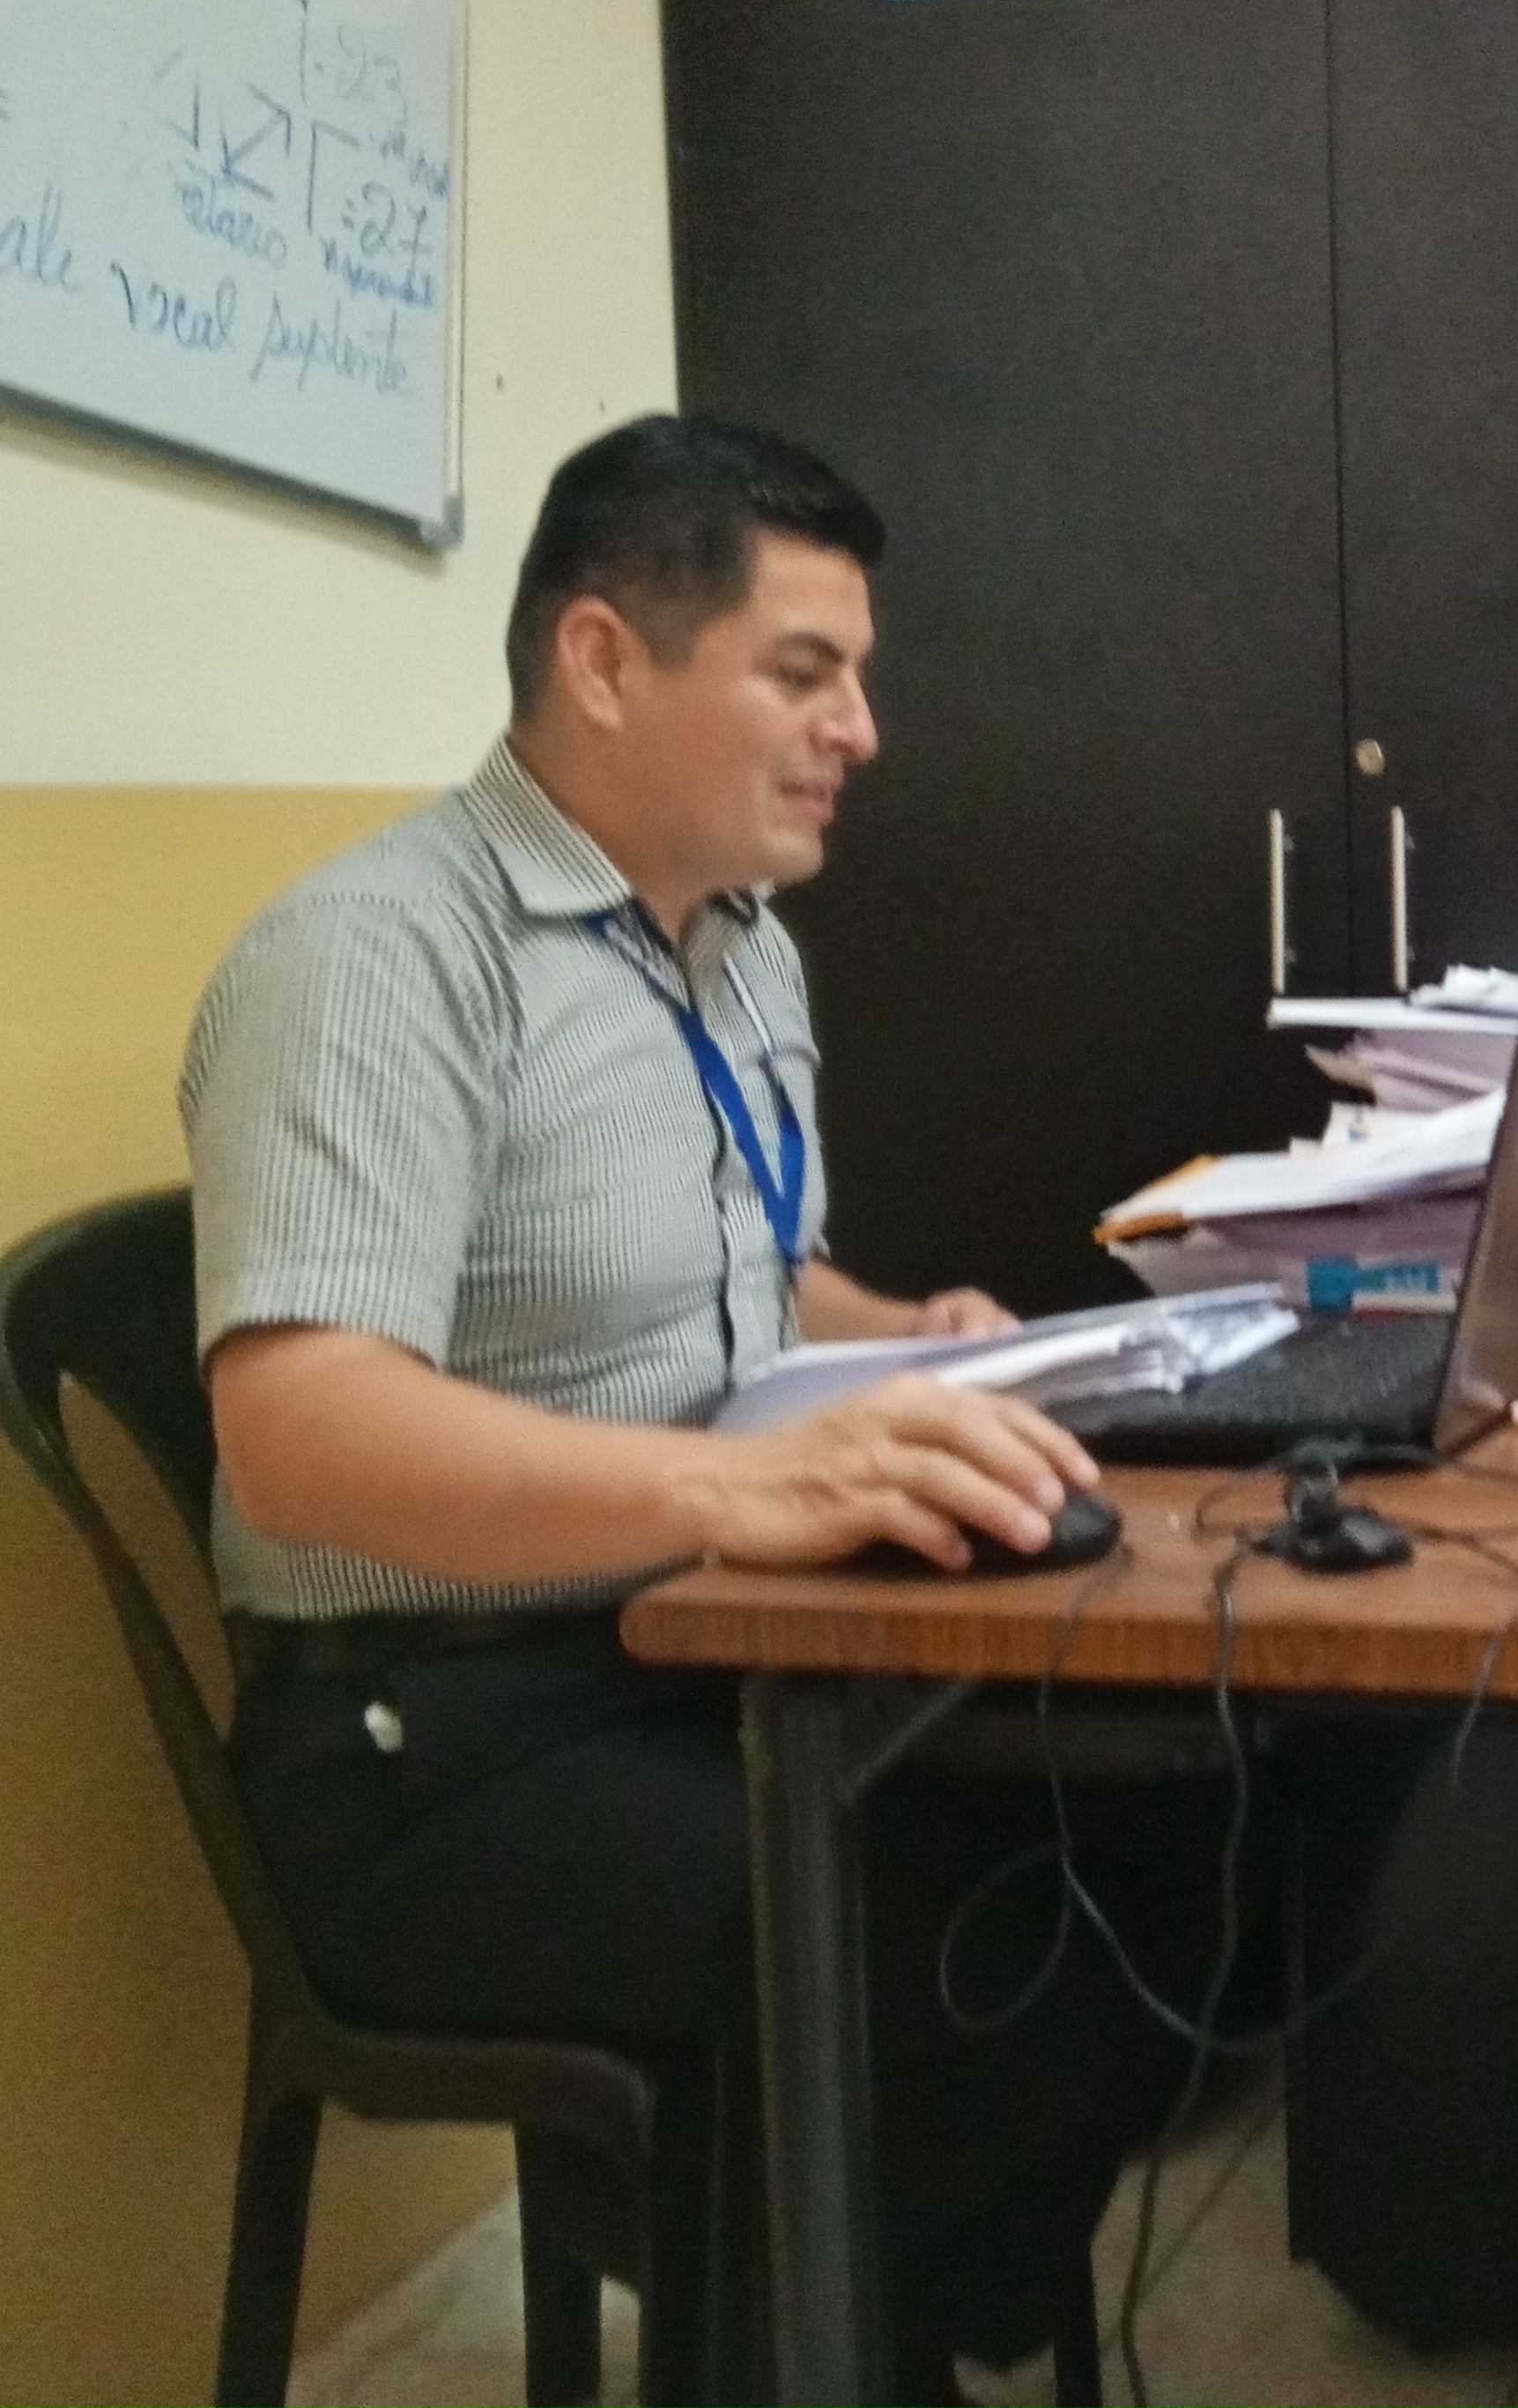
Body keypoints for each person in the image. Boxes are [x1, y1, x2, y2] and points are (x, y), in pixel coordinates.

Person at [187, 416, 1204, 2399]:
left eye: (859, 678)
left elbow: (735, 1278)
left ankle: (860, 2317)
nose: (862, 733)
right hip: (430, 1739)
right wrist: (736, 1495)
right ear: (601, 659)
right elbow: (300, 1427)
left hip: (687, 1645)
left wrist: (907, 1331)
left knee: (1129, 1843)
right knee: (911, 1947)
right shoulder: (378, 955)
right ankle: (837, 2329)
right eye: (804, 673)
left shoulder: (738, 951)